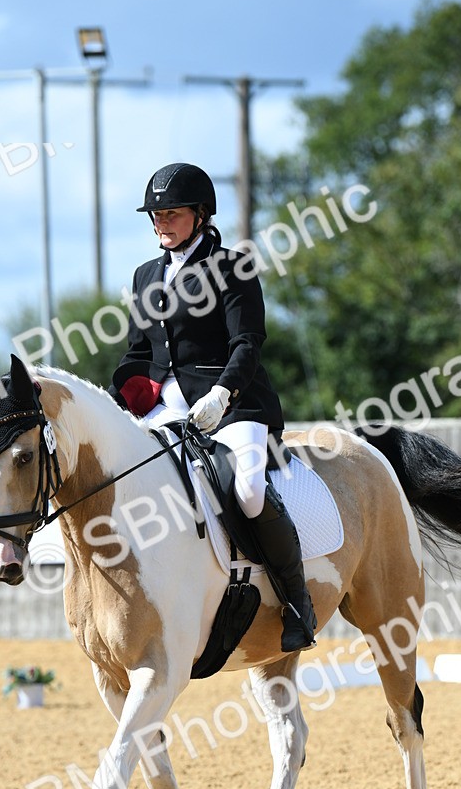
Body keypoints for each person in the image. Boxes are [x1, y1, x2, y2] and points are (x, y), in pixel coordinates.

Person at [108, 162, 316, 652]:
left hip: (234, 404)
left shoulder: (232, 267)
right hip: (167, 408)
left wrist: (223, 394)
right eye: (155, 214)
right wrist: (122, 398)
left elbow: (248, 342)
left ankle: (295, 600)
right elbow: (139, 353)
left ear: (201, 214)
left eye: (172, 212)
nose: (160, 221)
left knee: (246, 489)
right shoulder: (145, 276)